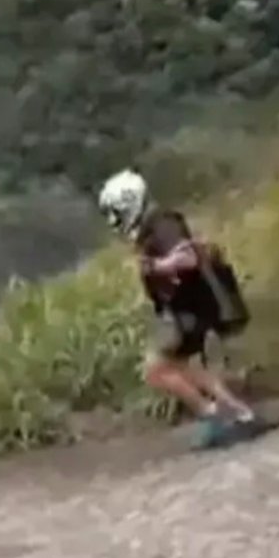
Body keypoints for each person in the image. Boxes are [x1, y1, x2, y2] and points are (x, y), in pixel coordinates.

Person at [97, 169, 257, 446]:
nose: (114, 220)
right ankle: (240, 413)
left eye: (116, 211)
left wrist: (157, 267)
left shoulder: (162, 224)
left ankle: (212, 414)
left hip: (188, 312)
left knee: (155, 370)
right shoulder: (157, 225)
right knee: (179, 365)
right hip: (189, 309)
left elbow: (188, 257)